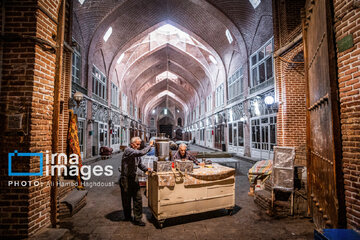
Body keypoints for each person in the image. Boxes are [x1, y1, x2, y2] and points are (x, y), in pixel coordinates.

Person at [119, 137, 154, 226]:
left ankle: (137, 218)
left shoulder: (135, 153)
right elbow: (141, 153)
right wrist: (150, 146)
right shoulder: (128, 150)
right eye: (137, 144)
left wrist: (147, 169)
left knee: (138, 198)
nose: (138, 146)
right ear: (132, 144)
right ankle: (127, 217)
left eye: (139, 144)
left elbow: (140, 164)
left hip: (134, 178)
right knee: (126, 199)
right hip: (125, 178)